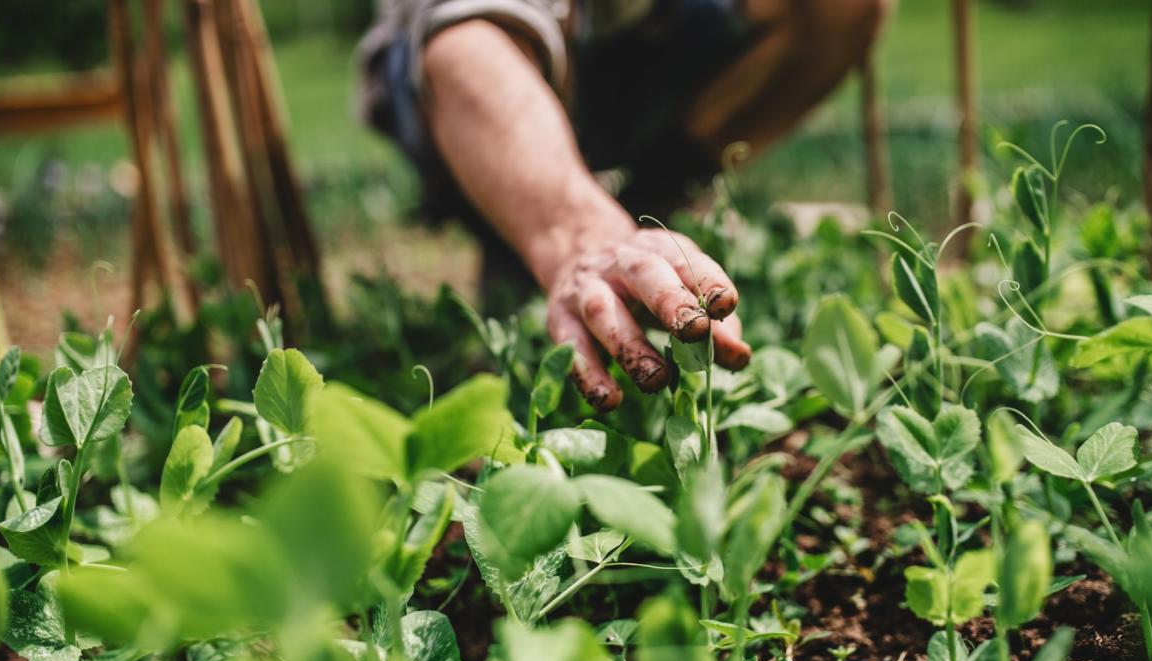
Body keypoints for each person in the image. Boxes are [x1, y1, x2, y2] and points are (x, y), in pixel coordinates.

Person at [357, 0, 888, 411]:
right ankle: (526, 228)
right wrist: (580, 236)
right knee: (472, 38)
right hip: (456, 69)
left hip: (642, 45)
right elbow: (466, 42)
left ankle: (650, 201)